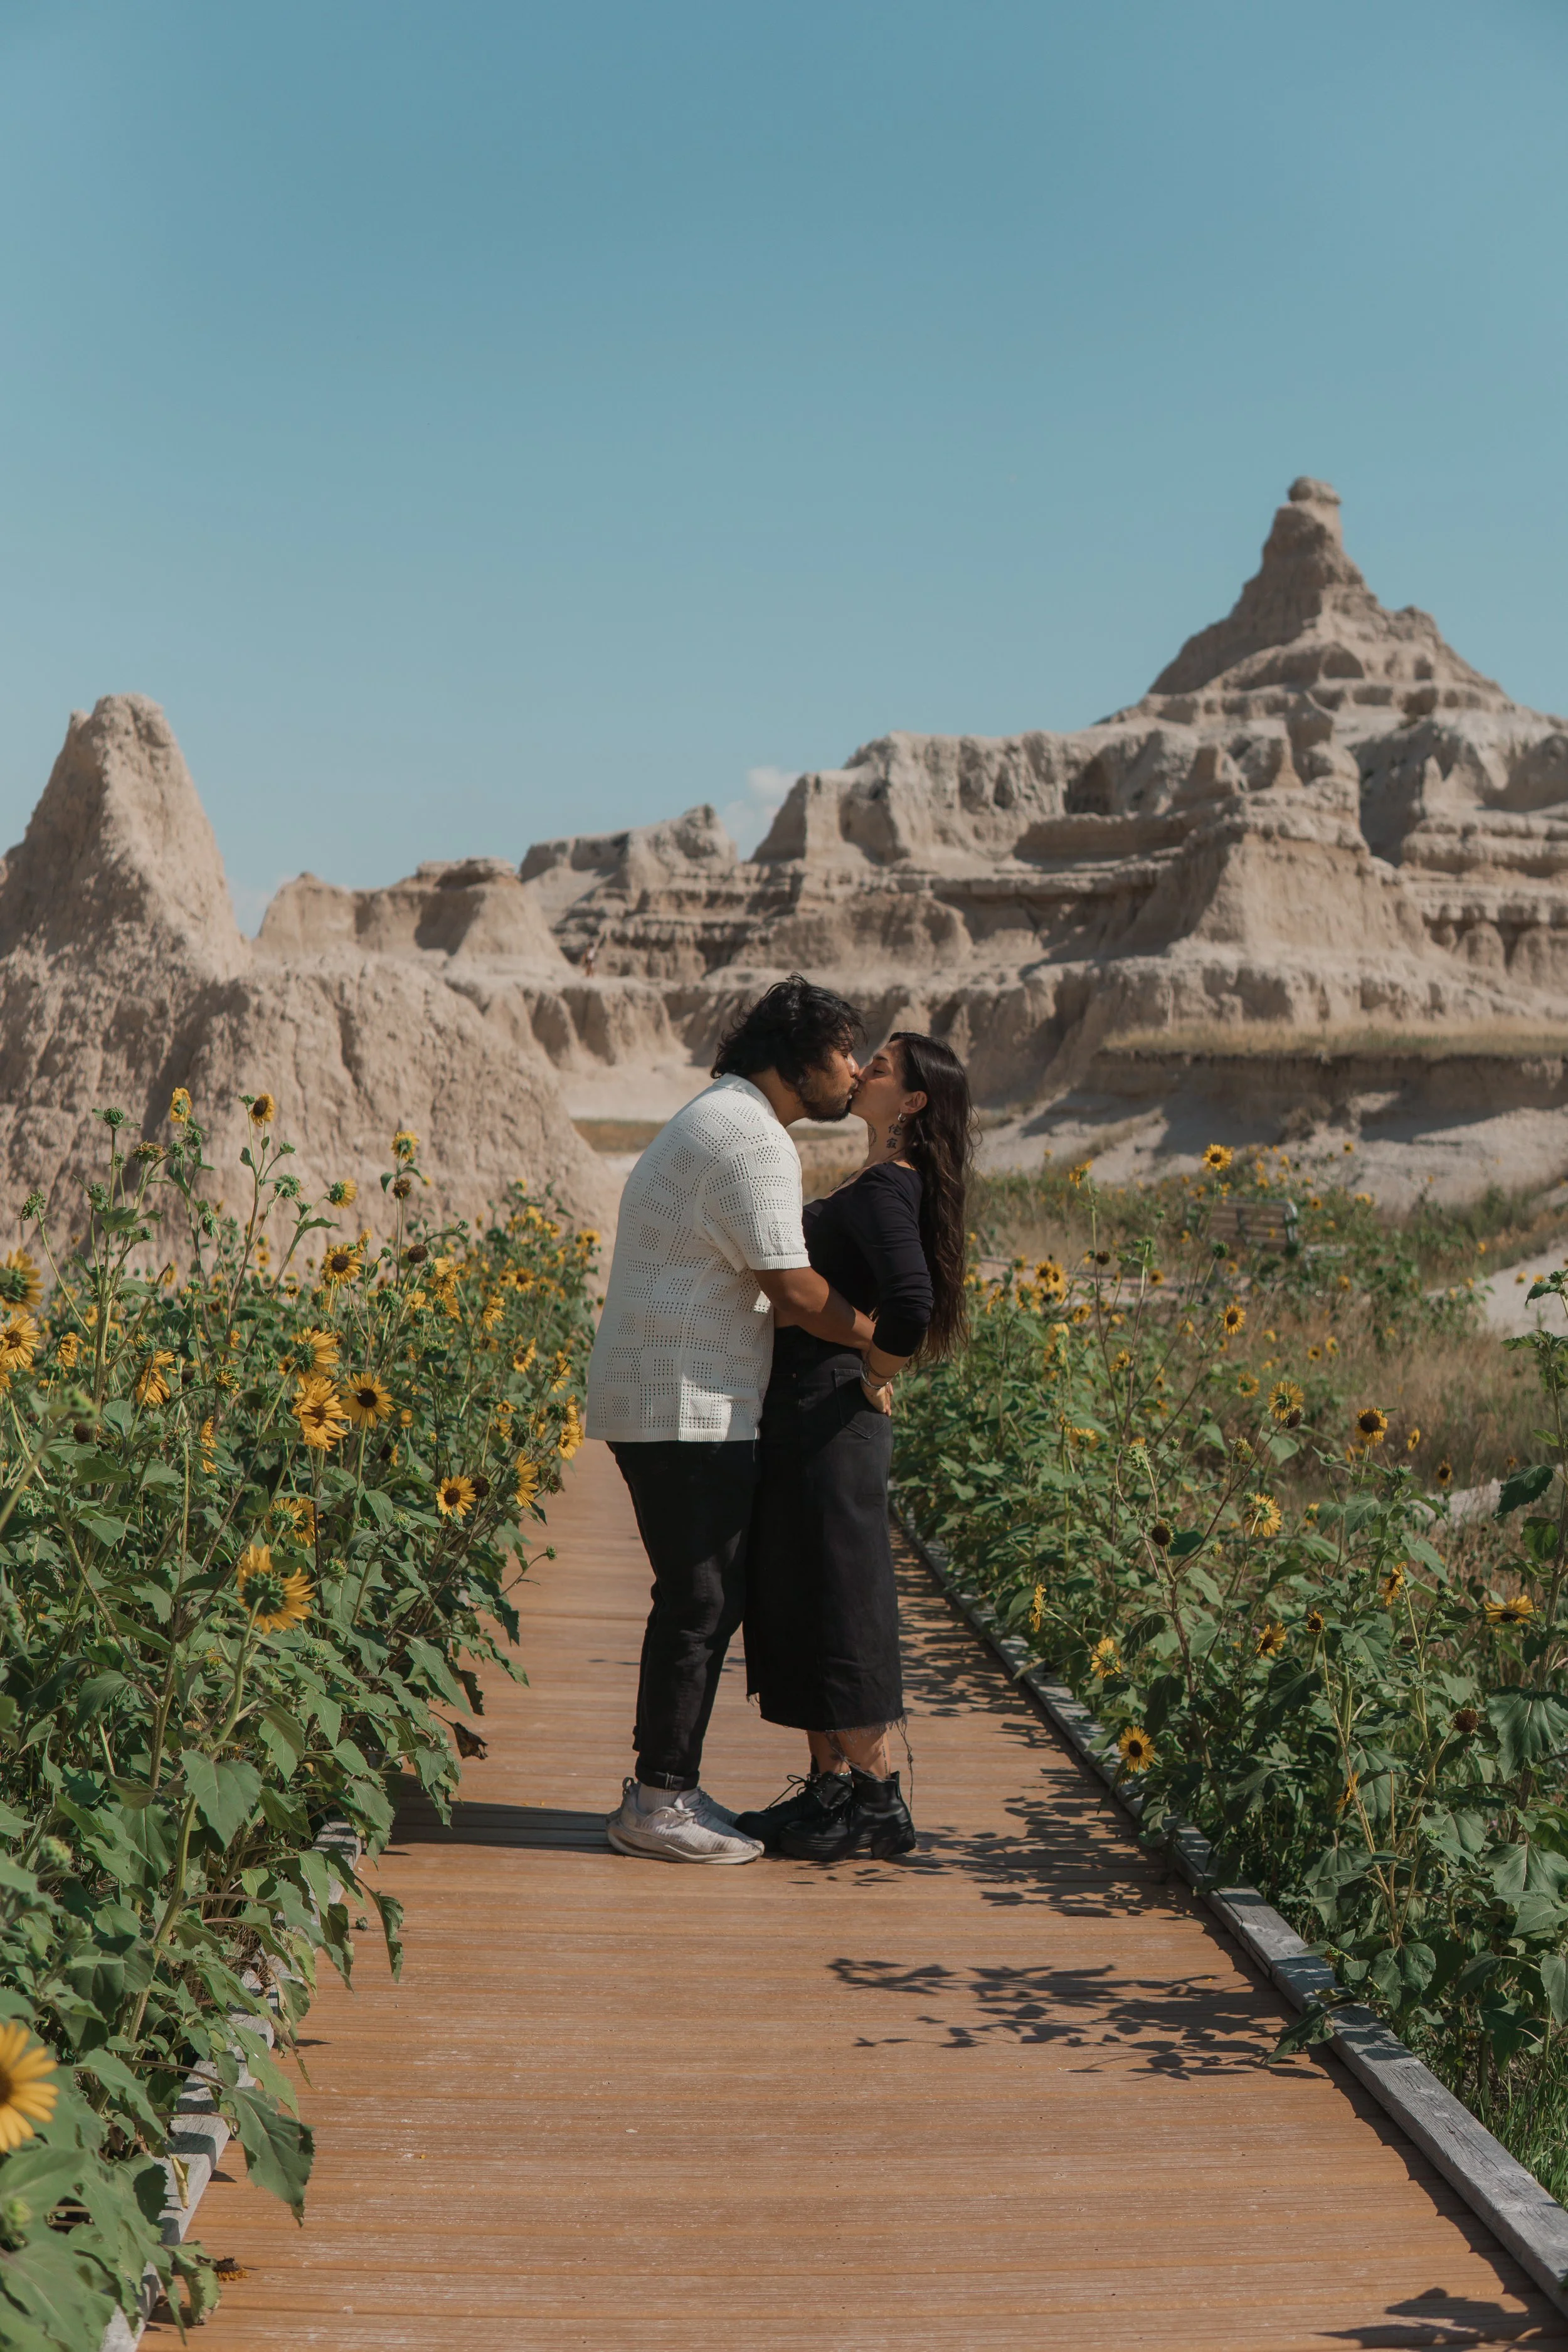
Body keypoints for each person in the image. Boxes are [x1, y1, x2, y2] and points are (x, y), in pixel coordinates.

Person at [587, 975, 877, 1863]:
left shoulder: (722, 1114)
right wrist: (880, 1340)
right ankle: (658, 1801)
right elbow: (790, 1290)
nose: (856, 1071)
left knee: (702, 1595)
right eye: (843, 1052)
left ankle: (666, 1786)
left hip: (669, 1393)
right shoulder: (752, 1137)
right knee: (701, 1597)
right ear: (796, 1056)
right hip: (687, 1399)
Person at [737, 1032, 975, 1863]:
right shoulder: (880, 1181)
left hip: (834, 1415)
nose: (864, 1067)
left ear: (911, 1102)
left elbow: (911, 1301)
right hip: (816, 1416)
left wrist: (876, 1365)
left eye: (882, 1065)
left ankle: (877, 1799)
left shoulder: (885, 1186)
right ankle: (830, 1792)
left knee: (840, 1599)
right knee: (807, 1591)